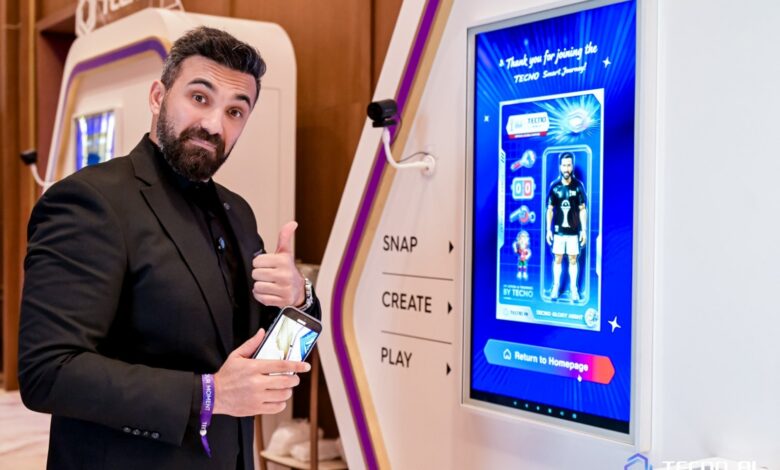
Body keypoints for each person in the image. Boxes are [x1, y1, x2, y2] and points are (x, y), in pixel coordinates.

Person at [18, 27, 319, 470]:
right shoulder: (90, 200)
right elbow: (48, 372)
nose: (214, 125)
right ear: (158, 96)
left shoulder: (238, 212)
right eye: (200, 98)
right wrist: (210, 395)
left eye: (235, 111)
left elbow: (256, 355)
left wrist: (297, 298)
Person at [545, 152, 587, 301]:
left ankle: (574, 289)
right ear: (560, 167)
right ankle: (555, 287)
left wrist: (584, 231)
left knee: (573, 259)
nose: (566, 168)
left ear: (572, 166)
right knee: (557, 258)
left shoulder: (578, 187)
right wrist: (548, 230)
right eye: (564, 165)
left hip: (573, 232)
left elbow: (582, 209)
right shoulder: (555, 188)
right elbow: (549, 210)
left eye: (569, 165)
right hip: (558, 233)